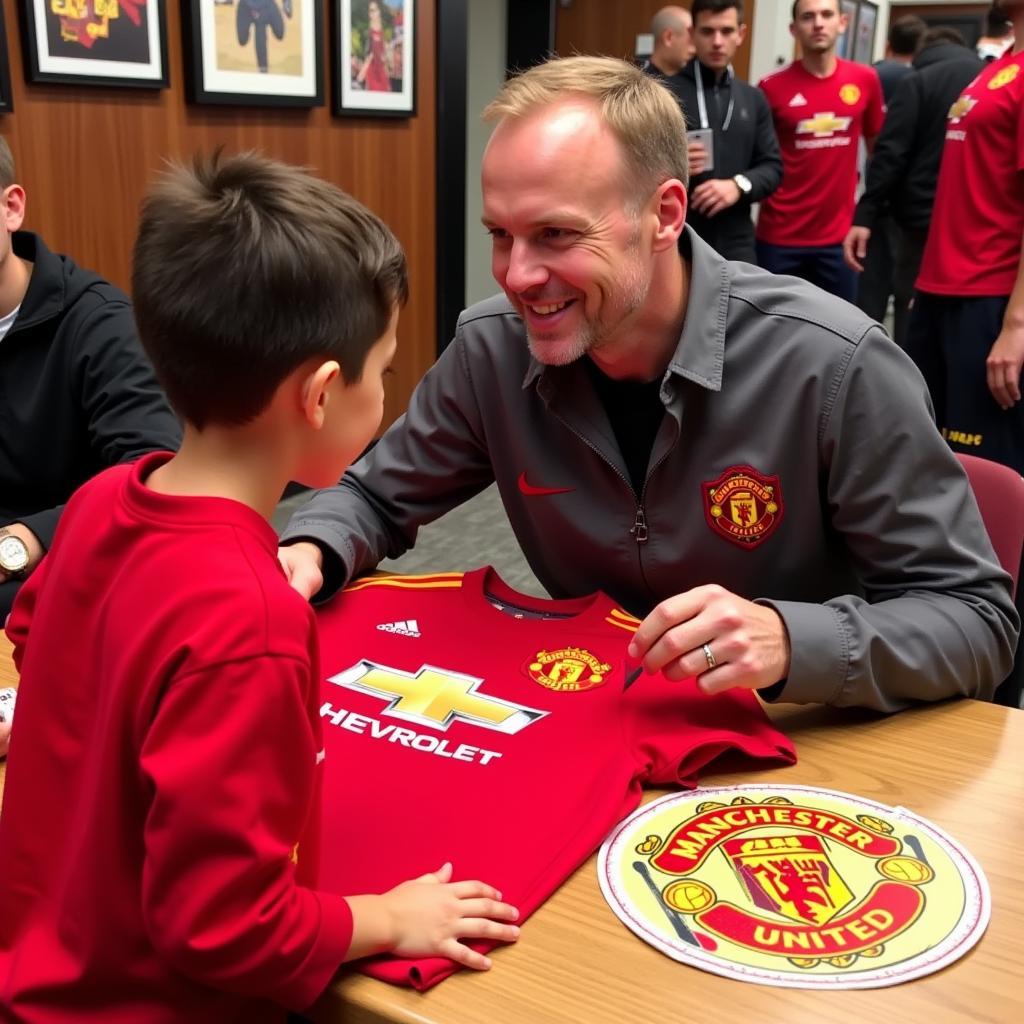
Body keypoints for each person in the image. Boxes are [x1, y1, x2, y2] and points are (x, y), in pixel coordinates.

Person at [280, 55, 1018, 715]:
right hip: (594, 719)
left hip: (796, 742)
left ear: (664, 215)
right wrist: (311, 549)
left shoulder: (834, 363)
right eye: (500, 234)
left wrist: (792, 638)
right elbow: (375, 496)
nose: (515, 276)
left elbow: (977, 621)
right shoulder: (492, 349)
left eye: (557, 235)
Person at [0, 152, 519, 1021]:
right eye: (384, 369)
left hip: (35, 965)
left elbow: (35, 634)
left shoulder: (97, 502)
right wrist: (384, 917)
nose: (385, 394)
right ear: (320, 395)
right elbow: (221, 928)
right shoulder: (253, 619)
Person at [0, 136, 180, 621]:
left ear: (12, 208)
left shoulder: (99, 322)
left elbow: (153, 468)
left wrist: (21, 542)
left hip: (68, 562)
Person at [904, 0, 1024, 474]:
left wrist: (1016, 326)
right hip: (941, 293)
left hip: (989, 301)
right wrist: (928, 284)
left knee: (985, 472)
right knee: (929, 459)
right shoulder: (997, 69)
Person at [843, 28, 983, 348]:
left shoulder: (919, 80)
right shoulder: (987, 80)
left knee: (913, 316)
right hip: (975, 225)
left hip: (920, 224)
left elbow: (891, 154)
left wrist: (866, 212)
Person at [755, 0, 885, 300]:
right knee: (778, 332)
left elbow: (879, 153)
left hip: (839, 238)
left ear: (842, 23)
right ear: (793, 29)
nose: (818, 23)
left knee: (840, 334)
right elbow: (762, 159)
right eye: (808, 17)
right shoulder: (770, 86)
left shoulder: (865, 80)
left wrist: (868, 214)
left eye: (827, 15)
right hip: (780, 236)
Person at [672, 0, 782, 263]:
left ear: (741, 34)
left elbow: (772, 167)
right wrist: (673, 161)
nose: (718, 41)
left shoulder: (753, 98)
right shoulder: (664, 92)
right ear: (692, 34)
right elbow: (635, 165)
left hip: (738, 239)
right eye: (708, 31)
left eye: (727, 31)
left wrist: (738, 185)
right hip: (677, 236)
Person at [854, 14, 926, 327]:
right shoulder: (924, 79)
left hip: (873, 195)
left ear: (887, 43)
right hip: (908, 201)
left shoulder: (870, 75)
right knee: (906, 288)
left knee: (870, 290)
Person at [641, 4, 694, 106]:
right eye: (691, 38)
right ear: (668, 38)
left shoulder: (693, 83)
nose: (695, 48)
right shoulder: (638, 83)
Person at [236, 0, 290, 75]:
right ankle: (263, 70)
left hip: (267, 5)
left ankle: (263, 71)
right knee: (242, 40)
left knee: (280, 33)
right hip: (246, 6)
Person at [357, 0, 392, 92]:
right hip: (372, 71)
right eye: (370, 11)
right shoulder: (367, 32)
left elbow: (386, 51)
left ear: (379, 11)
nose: (372, 13)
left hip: (383, 71)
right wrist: (362, 73)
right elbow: (367, 55)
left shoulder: (385, 29)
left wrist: (387, 61)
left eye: (374, 10)